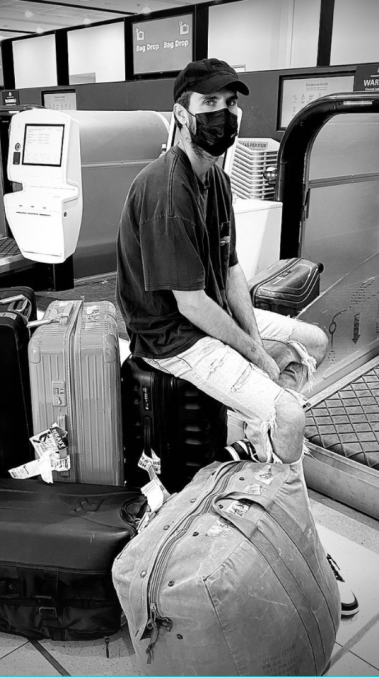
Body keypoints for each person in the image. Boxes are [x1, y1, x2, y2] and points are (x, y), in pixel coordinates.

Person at [116, 58, 357, 616]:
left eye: (231, 106)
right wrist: (257, 359)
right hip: (171, 335)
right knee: (290, 413)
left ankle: (263, 445)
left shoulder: (216, 179)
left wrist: (257, 342)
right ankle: (306, 541)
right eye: (210, 107)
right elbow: (189, 301)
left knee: (313, 341)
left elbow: (229, 273)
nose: (225, 117)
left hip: (211, 309)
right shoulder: (163, 188)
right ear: (182, 114)